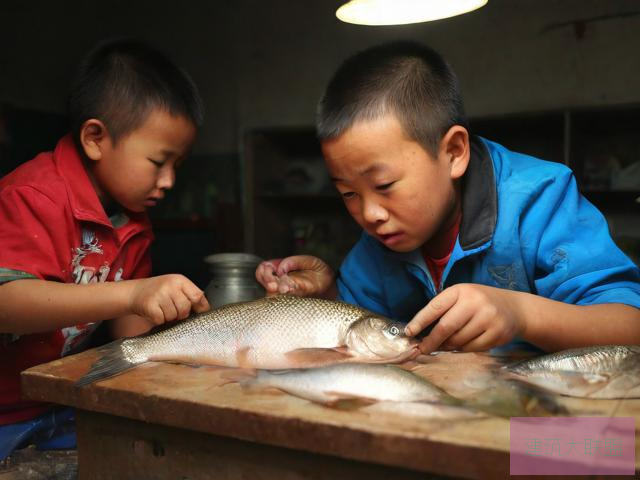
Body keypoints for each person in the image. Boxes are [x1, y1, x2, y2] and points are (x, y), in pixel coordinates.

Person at [256, 41, 640, 355]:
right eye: (348, 194)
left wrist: (521, 314)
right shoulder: (379, 242)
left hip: (556, 410)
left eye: (386, 185)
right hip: (454, 415)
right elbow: (366, 333)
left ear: (454, 152)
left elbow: (631, 326)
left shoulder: (540, 199)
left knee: (605, 448)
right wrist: (328, 298)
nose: (369, 214)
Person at [0, 39, 210, 457]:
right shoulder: (30, 196)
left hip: (64, 402)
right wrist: (135, 292)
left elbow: (128, 334)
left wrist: (176, 320)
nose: (169, 181)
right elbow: (6, 301)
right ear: (95, 138)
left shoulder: (132, 222)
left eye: (178, 166)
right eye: (158, 162)